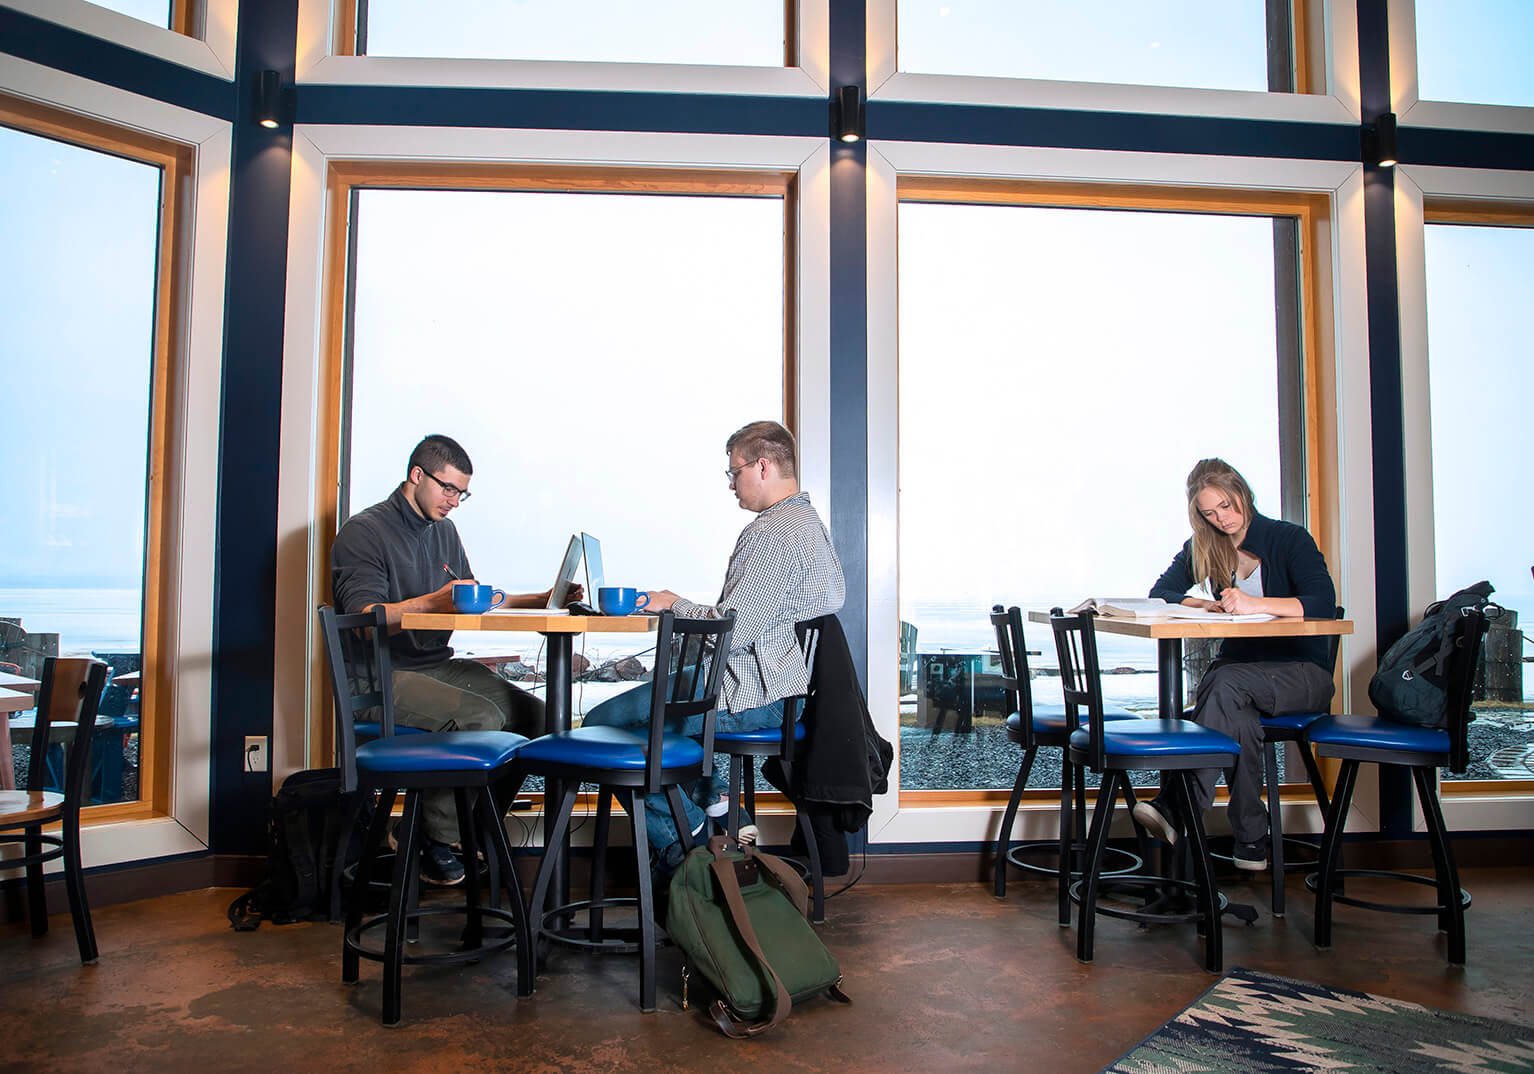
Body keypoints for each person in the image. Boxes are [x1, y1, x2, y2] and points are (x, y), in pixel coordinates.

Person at [581, 420, 845, 870]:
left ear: (762, 466)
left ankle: (687, 839)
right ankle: (722, 806)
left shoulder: (772, 533)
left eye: (734, 472)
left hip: (752, 691)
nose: (730, 485)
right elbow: (754, 617)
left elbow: (731, 631)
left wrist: (672, 604)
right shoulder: (808, 522)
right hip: (779, 685)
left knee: (601, 722)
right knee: (650, 718)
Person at [330, 434, 578, 885]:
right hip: (379, 677)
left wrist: (536, 599)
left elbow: (471, 599)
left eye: (462, 493)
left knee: (541, 719)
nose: (456, 501)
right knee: (481, 718)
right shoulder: (364, 532)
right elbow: (363, 617)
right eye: (449, 489)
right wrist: (431, 603)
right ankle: (432, 839)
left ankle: (466, 827)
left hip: (434, 667)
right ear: (416, 476)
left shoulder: (443, 530)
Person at [1131, 457, 1337, 871]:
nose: (1220, 519)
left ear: (1241, 493)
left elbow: (1323, 604)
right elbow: (1162, 592)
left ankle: (1177, 807)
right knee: (1234, 714)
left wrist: (1254, 604)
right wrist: (1203, 603)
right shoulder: (1204, 546)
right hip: (1240, 682)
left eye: (1225, 506)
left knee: (1221, 685)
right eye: (1208, 512)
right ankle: (1251, 843)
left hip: (1302, 675)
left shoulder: (1288, 538)